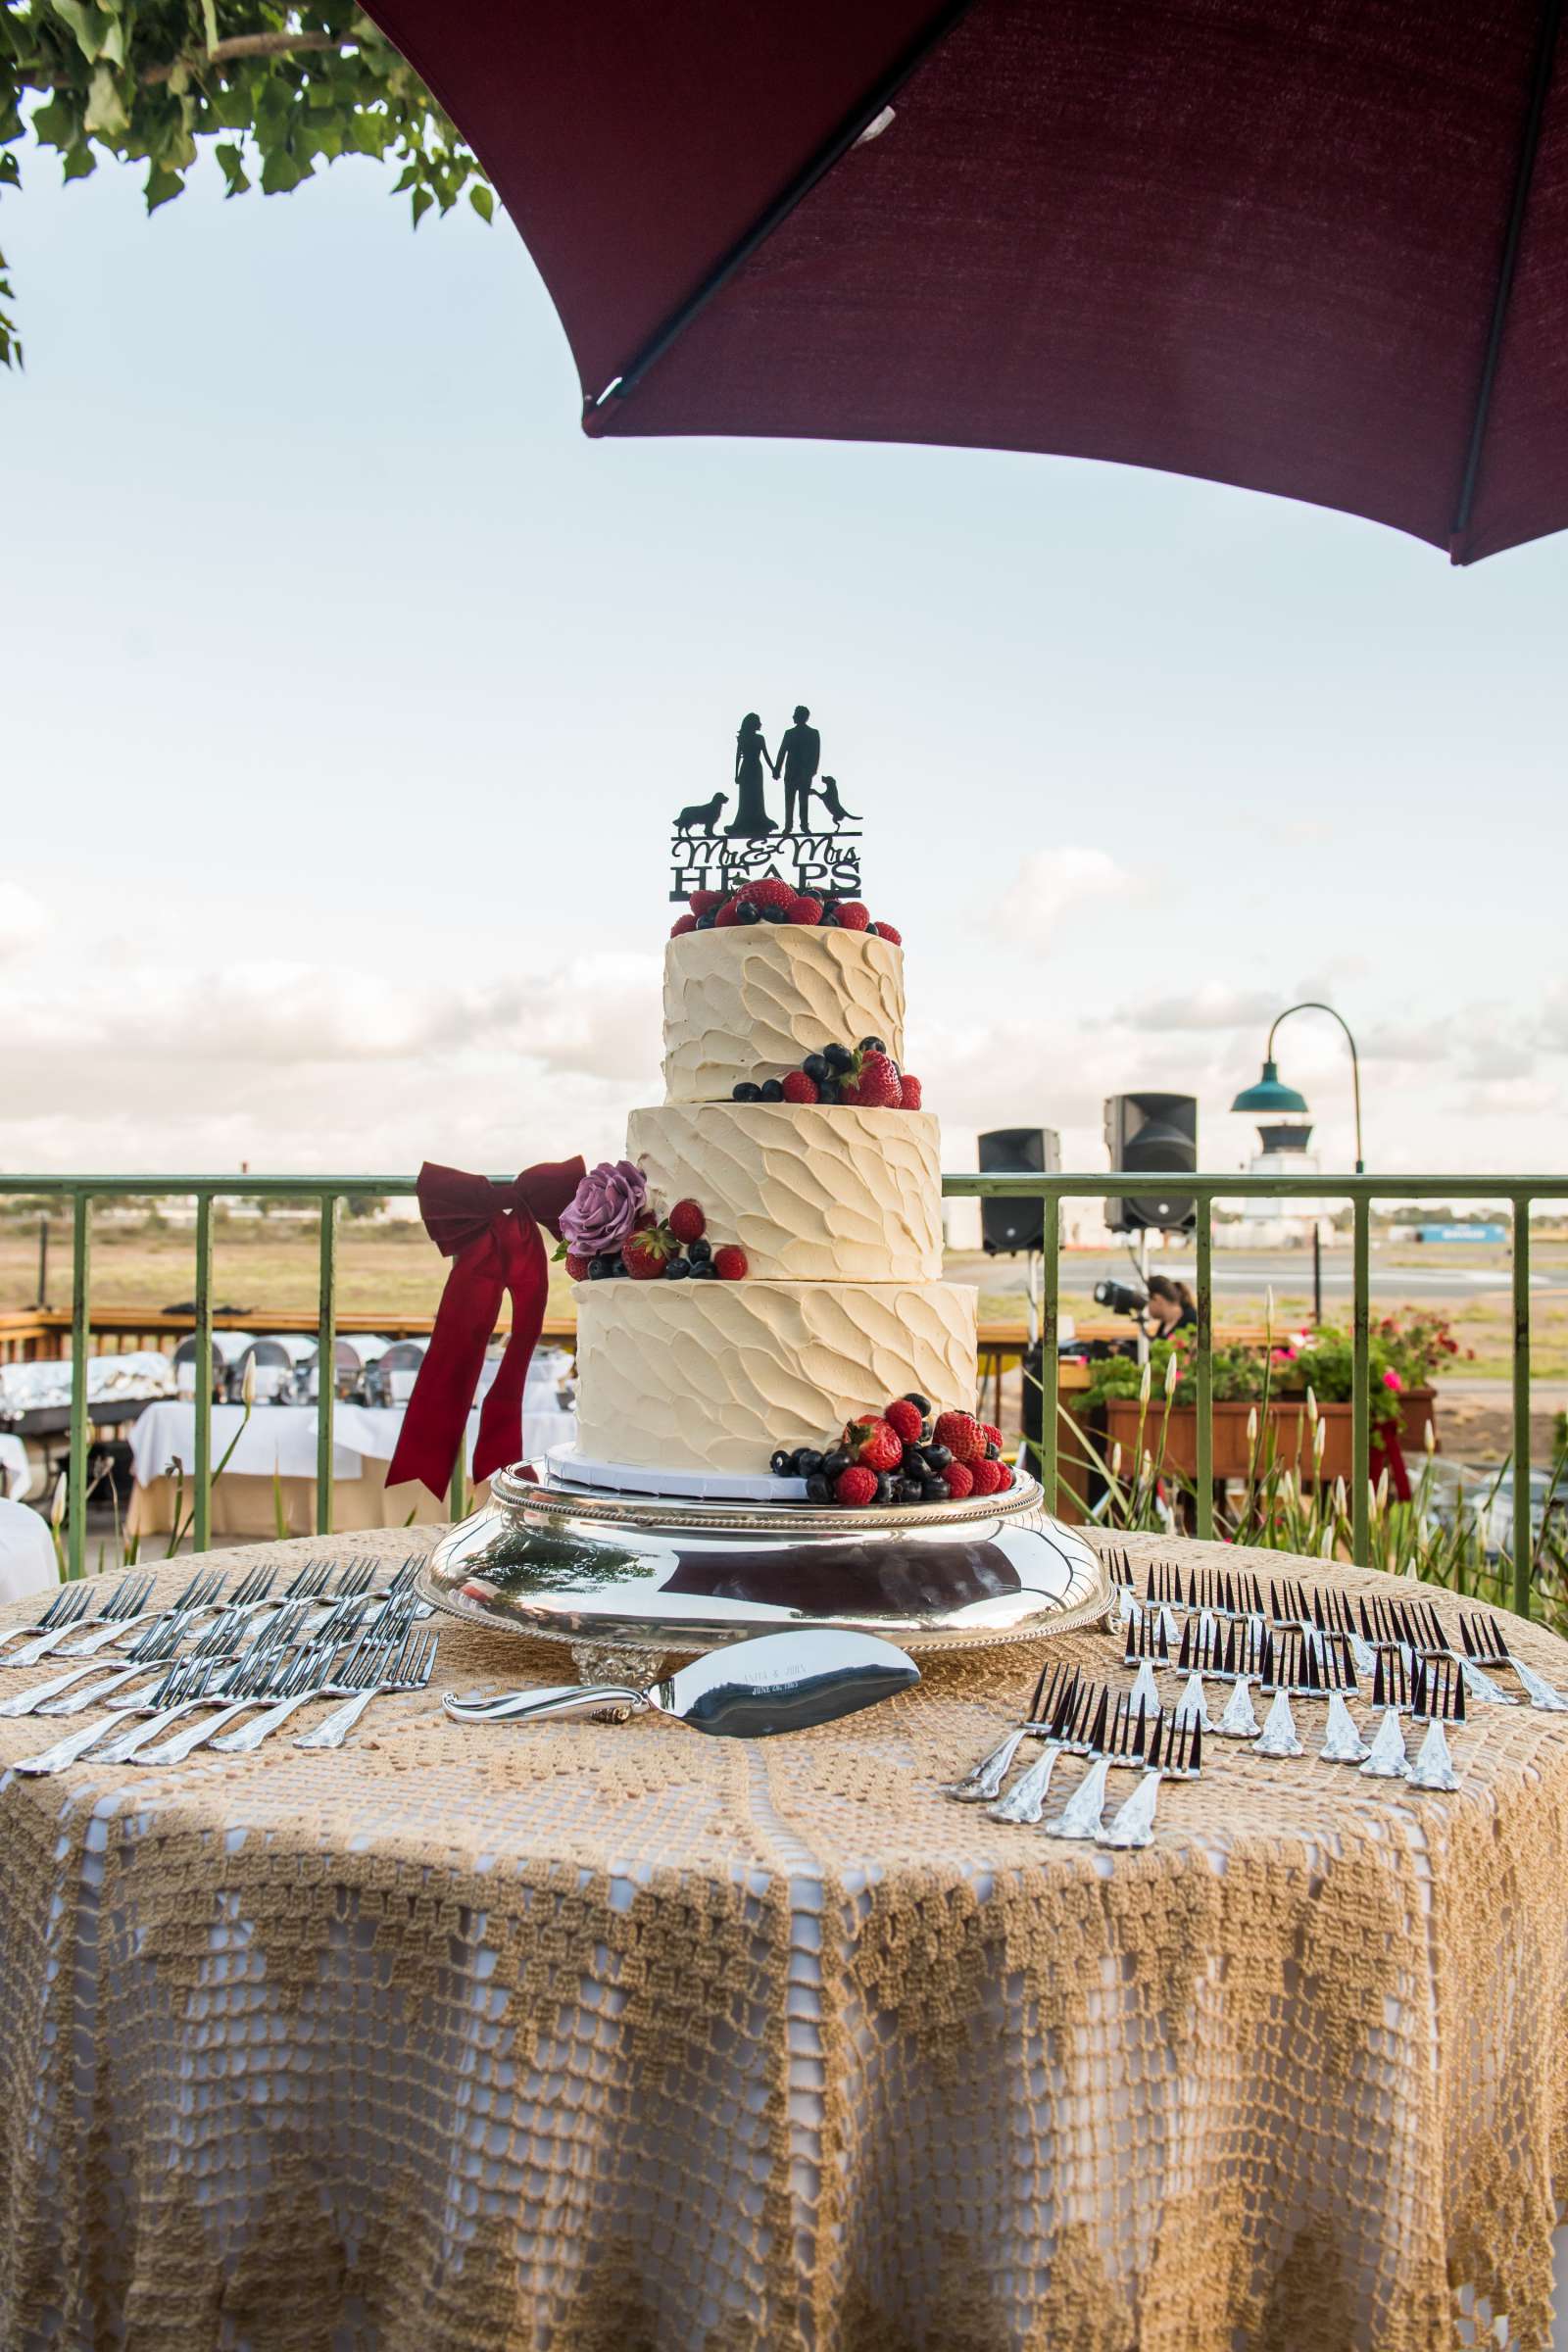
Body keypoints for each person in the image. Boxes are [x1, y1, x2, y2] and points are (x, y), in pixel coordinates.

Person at [772, 705, 820, 831]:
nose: (793, 717)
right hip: (792, 773)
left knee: (802, 800)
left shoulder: (813, 733)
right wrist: (777, 769)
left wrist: (811, 772)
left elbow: (816, 754)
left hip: (804, 773)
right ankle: (789, 825)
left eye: (796, 714)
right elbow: (782, 752)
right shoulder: (790, 733)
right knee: (791, 800)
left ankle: (803, 825)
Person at [728, 713, 777, 836]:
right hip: (747, 769)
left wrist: (773, 769)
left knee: (757, 795)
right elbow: (738, 756)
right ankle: (743, 821)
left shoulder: (759, 738)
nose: (760, 724)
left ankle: (759, 820)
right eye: (758, 722)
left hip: (755, 769)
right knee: (745, 797)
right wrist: (736, 774)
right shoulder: (745, 738)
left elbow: (766, 755)